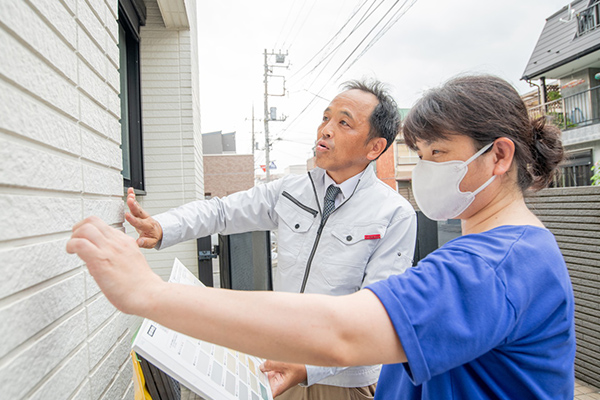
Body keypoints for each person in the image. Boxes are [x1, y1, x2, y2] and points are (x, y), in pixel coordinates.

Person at [67, 74, 576, 399]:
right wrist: (166, 227)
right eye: (418, 154)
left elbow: (348, 329)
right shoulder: (492, 252)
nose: (422, 170)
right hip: (291, 362)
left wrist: (150, 295)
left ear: (500, 157)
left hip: (344, 375)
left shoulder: (493, 262)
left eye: (436, 155)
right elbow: (224, 211)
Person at [124, 79, 418, 399]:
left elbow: (376, 314)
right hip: (280, 365)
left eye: (343, 122)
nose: (326, 130)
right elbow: (222, 212)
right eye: (325, 117)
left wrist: (310, 369)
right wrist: (164, 227)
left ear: (375, 147)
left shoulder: (395, 214)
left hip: (343, 382)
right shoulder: (290, 190)